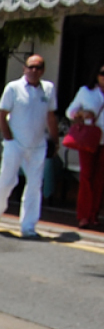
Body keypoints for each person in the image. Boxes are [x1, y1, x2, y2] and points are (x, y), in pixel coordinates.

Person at [0, 53, 58, 238]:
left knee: (35, 185)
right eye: (30, 67)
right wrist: (9, 138)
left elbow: (51, 116)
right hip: (15, 144)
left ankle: (28, 226)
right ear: (24, 68)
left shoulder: (48, 89)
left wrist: (55, 139)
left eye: (38, 67)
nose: (34, 70)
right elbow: (1, 116)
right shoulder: (13, 88)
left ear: (43, 70)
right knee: (6, 182)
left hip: (37, 145)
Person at [66, 63, 104, 229]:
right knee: (86, 177)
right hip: (89, 139)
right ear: (96, 75)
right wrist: (81, 114)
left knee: (100, 179)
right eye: (103, 73)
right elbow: (70, 111)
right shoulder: (86, 92)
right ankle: (84, 215)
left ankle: (94, 214)